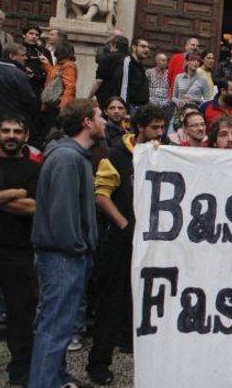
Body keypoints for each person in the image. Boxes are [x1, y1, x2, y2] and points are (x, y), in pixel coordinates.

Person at [29, 99, 105, 388]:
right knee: (54, 327)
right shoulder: (67, 159)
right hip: (63, 256)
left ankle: (55, 378)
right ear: (87, 121)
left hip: (68, 256)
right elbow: (62, 215)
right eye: (99, 116)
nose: (105, 121)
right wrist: (77, 247)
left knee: (59, 326)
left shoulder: (75, 157)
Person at [86, 105, 164, 384]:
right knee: (112, 301)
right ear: (139, 128)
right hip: (121, 243)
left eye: (162, 127)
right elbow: (101, 194)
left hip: (153, 242)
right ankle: (99, 362)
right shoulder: (116, 156)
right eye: (154, 127)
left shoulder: (162, 154)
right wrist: (124, 225)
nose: (159, 133)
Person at [0, 115, 39, 386]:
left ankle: (20, 371)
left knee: (20, 315)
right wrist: (16, 192)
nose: (11, 135)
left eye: (17, 131)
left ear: (26, 136)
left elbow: (35, 207)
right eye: (6, 131)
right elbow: (24, 201)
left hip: (18, 251)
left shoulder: (34, 170)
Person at [90, 36, 150, 110]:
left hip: (139, 107)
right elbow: (123, 87)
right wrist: (124, 108)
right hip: (129, 107)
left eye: (148, 47)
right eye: (143, 46)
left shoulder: (140, 65)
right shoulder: (127, 61)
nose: (147, 49)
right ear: (134, 47)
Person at [0, 43, 39, 123]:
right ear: (12, 56)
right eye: (23, 55)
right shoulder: (19, 75)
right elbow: (29, 99)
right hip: (14, 120)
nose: (26, 58)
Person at [146, 52, 171, 118]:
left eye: (166, 60)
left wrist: (168, 101)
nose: (165, 62)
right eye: (163, 60)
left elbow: (171, 87)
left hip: (165, 104)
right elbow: (144, 87)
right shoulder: (149, 72)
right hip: (151, 104)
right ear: (157, 61)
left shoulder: (169, 73)